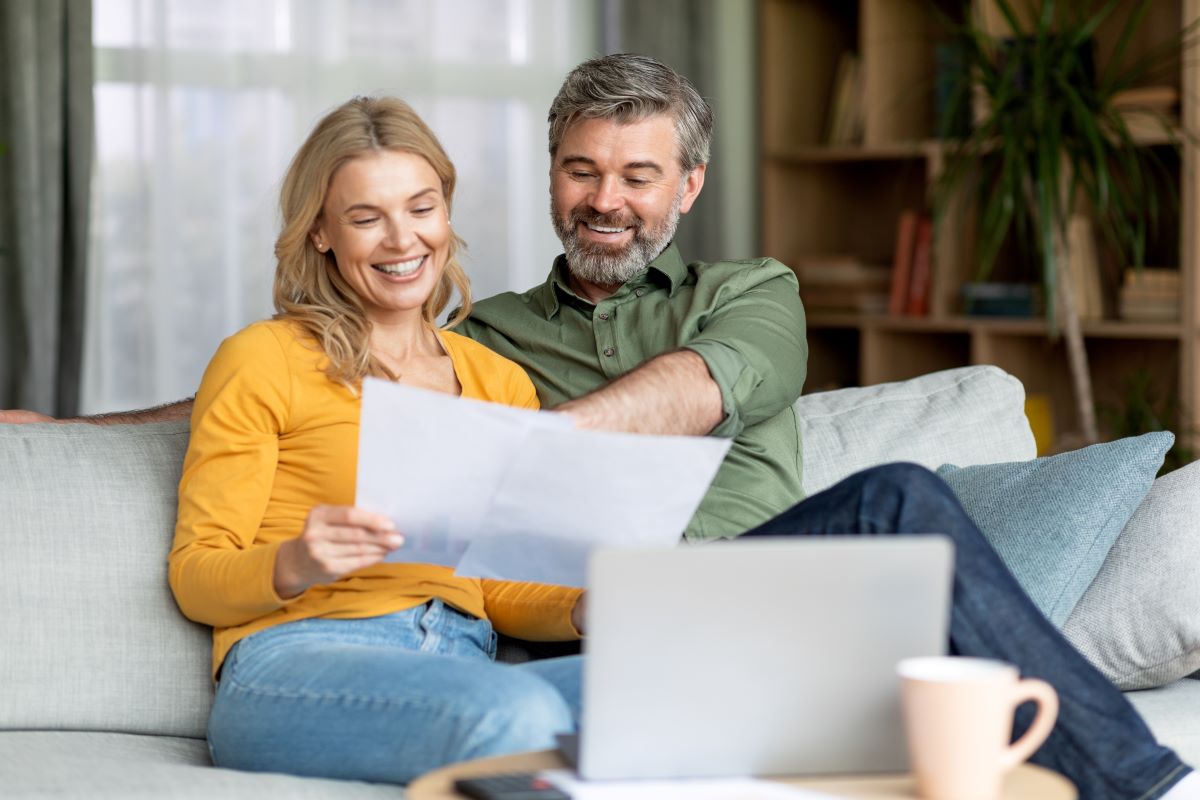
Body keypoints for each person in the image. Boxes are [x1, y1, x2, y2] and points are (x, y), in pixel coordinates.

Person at [4, 54, 1197, 799]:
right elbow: (277, 391)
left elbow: (692, 388)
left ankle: (1131, 779)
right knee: (561, 701)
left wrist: (522, 455)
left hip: (720, 586)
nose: (607, 198)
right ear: (552, 175)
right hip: (539, 625)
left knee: (903, 499)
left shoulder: (730, 298)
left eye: (638, 174)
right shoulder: (482, 341)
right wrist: (67, 426)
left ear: (686, 185)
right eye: (583, 169)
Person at [167, 95, 586, 785]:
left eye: (421, 209)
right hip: (296, 664)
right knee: (512, 714)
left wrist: (584, 605)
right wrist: (297, 561)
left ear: (445, 215)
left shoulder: (498, 380)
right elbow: (195, 576)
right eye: (367, 218)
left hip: (461, 663)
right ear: (323, 233)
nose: (402, 241)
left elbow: (501, 585)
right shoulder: (263, 358)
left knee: (677, 691)